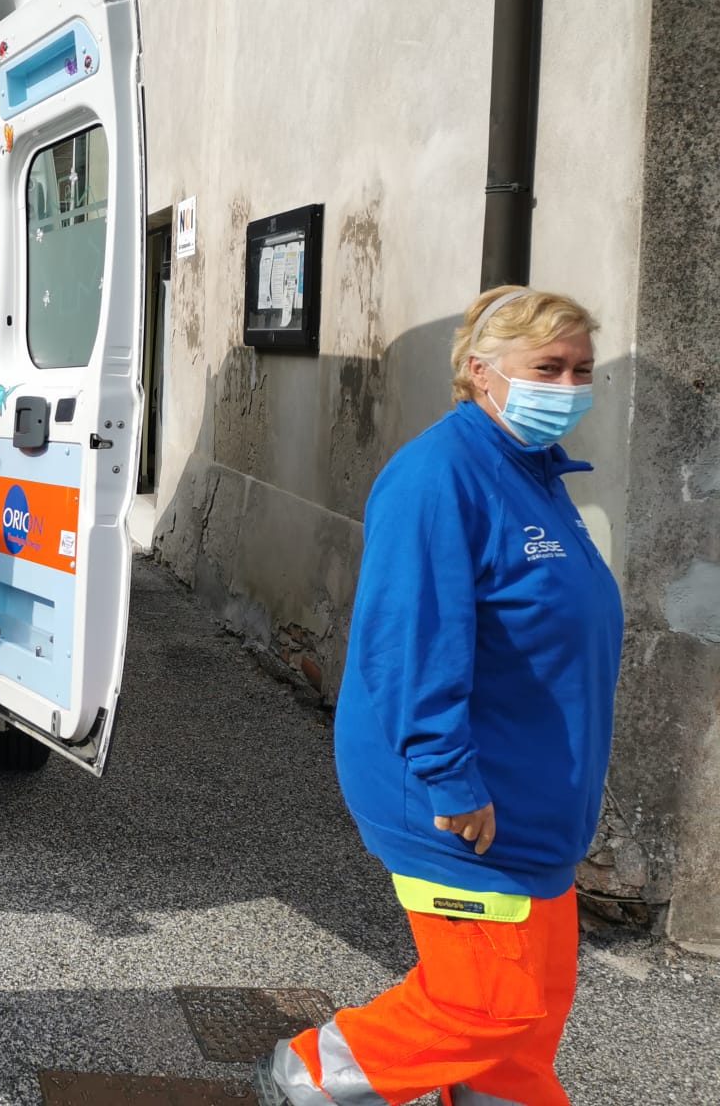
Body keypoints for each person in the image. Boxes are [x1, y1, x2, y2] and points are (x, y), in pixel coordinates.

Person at [254, 286, 622, 1106]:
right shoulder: (440, 476)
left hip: (535, 804)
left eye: (581, 369)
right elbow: (408, 644)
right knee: (488, 1003)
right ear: (481, 371)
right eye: (547, 368)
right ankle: (311, 1076)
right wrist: (450, 778)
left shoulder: (535, 473)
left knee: (533, 1010)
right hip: (462, 800)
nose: (568, 386)